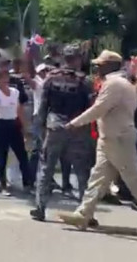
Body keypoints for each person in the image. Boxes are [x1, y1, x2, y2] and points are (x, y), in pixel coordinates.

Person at [59, 51, 137, 237]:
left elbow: (99, 108)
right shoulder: (123, 83)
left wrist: (74, 123)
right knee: (97, 178)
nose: (97, 67)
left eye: (100, 64)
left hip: (118, 138)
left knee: (135, 180)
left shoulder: (114, 84)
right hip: (111, 138)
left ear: (110, 66)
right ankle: (83, 214)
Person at [31, 45, 93, 221]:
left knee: (46, 168)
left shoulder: (50, 79)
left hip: (54, 126)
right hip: (77, 128)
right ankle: (86, 212)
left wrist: (41, 128)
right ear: (78, 59)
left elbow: (43, 106)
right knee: (82, 171)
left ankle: (40, 207)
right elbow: (90, 108)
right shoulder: (84, 81)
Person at [0, 71, 33, 195]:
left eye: (7, 77)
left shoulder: (15, 92)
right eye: (3, 78)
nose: (6, 80)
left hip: (13, 124)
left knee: (22, 155)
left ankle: (27, 183)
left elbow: (19, 110)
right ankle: (2, 185)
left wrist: (24, 127)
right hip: (0, 124)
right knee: (2, 156)